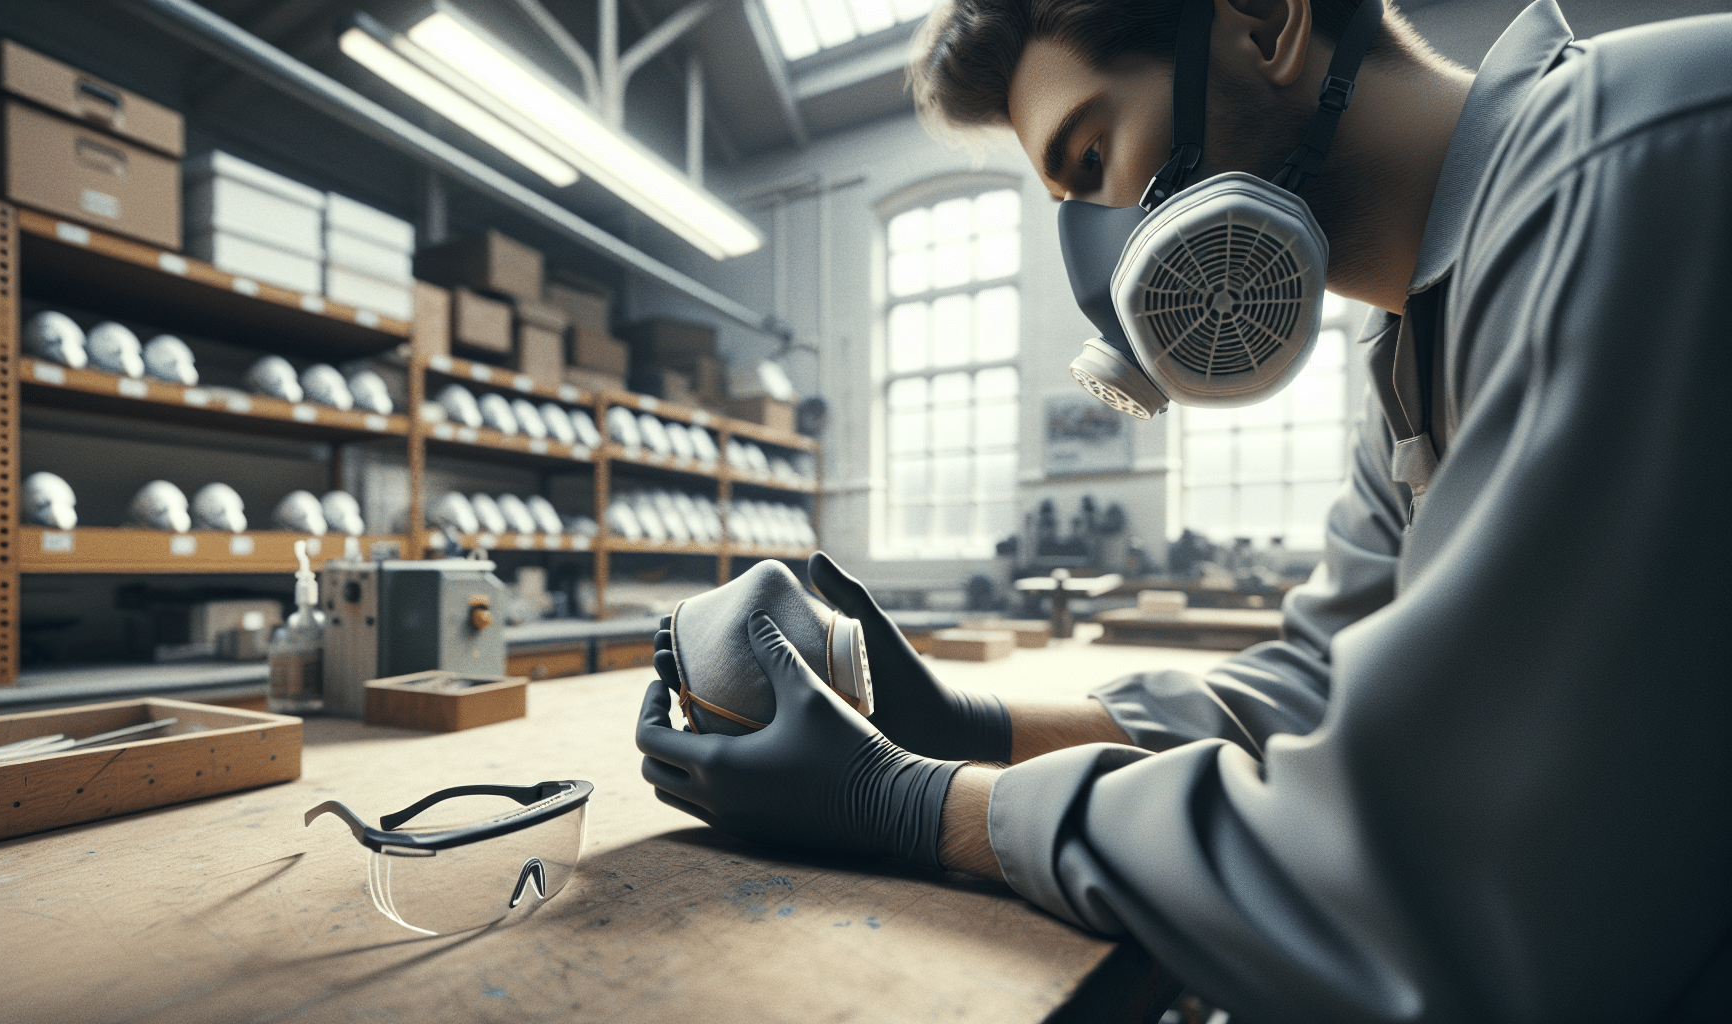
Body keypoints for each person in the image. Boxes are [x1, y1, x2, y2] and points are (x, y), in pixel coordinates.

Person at [637, 1, 1731, 1019]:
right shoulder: (1412, 351)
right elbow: (1310, 691)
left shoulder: (1627, 173)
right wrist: (967, 726)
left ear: (1266, 24)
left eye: (1092, 159)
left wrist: (914, 803)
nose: (1098, 260)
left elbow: (1437, 901)